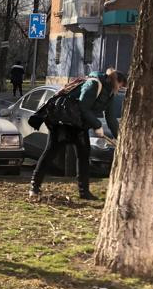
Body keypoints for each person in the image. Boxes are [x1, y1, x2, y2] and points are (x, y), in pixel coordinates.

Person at [29, 68, 125, 201]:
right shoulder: (94, 84)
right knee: (51, 152)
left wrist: (120, 138)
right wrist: (97, 125)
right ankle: (34, 187)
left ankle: (84, 192)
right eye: (121, 86)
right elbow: (82, 106)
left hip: (79, 124)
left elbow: (110, 118)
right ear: (116, 82)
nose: (120, 89)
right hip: (62, 122)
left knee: (84, 155)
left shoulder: (110, 93)